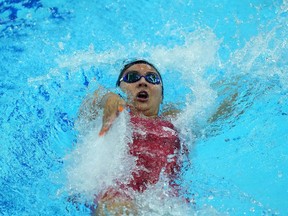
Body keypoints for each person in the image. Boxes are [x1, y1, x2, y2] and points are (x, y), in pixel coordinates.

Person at [81, 60, 184, 215]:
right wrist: (108, 98)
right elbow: (92, 101)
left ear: (161, 96)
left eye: (152, 79)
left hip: (169, 202)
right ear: (120, 89)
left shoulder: (176, 121)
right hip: (117, 199)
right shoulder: (117, 115)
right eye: (132, 77)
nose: (143, 82)